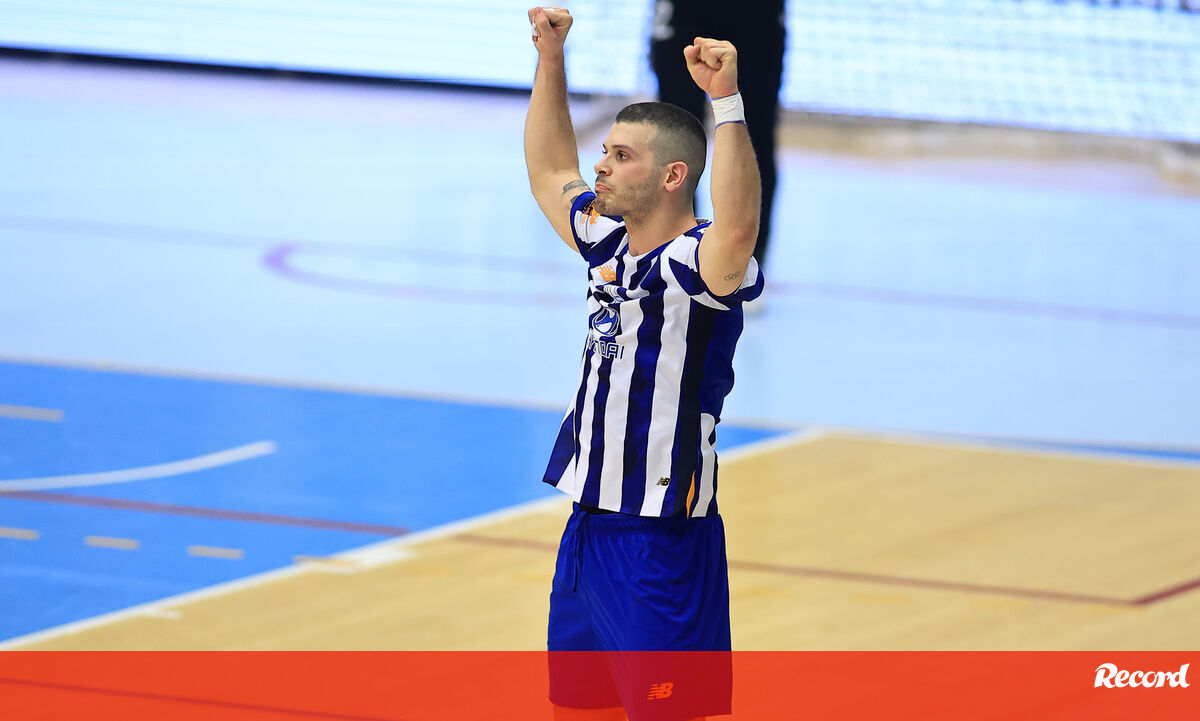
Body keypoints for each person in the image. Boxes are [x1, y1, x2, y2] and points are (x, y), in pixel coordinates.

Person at [525, 7, 763, 720]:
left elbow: (740, 225)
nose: (601, 164)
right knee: (578, 709)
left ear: (672, 176)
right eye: (607, 150)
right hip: (586, 526)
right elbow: (550, 170)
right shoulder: (606, 242)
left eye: (622, 155)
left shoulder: (699, 264)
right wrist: (550, 57)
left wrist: (726, 101)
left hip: (662, 537)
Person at [651, 0, 786, 275]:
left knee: (754, 136)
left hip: (757, 14)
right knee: (675, 137)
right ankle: (677, 254)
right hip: (684, 12)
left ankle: (744, 263)